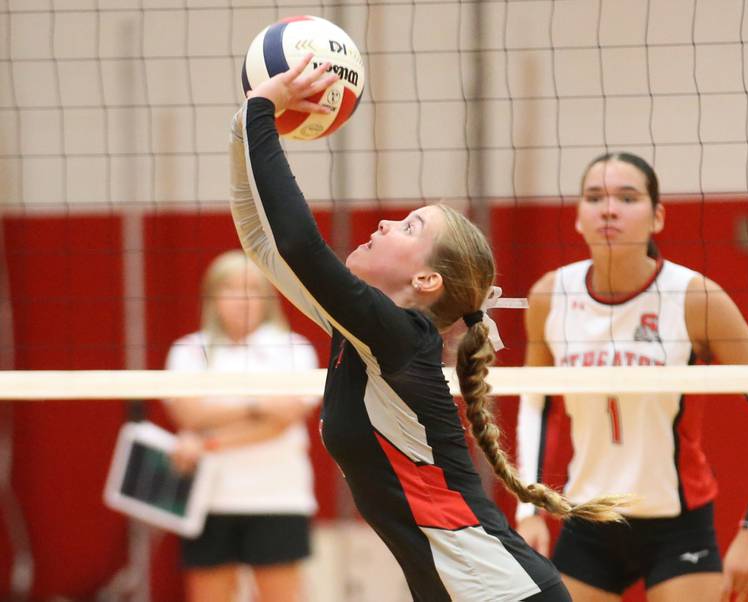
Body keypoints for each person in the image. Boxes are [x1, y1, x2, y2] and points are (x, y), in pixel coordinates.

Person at [227, 54, 630, 602]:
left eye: (409, 225)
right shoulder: (366, 336)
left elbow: (300, 244)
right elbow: (262, 239)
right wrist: (244, 123)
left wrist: (262, 110)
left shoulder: (400, 338)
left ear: (425, 278)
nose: (387, 222)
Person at [515, 151, 748, 602]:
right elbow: (534, 402)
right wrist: (527, 508)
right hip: (588, 521)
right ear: (578, 217)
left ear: (657, 216)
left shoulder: (695, 299)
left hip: (677, 525)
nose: (609, 209)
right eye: (595, 197)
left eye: (627, 198)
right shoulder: (552, 296)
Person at [164, 249, 319, 602]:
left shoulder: (293, 348)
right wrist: (259, 405)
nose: (243, 299)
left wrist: (209, 436)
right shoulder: (189, 350)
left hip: (278, 498)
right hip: (207, 500)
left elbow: (283, 420)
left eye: (252, 288)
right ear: (213, 296)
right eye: (231, 289)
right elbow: (190, 415)